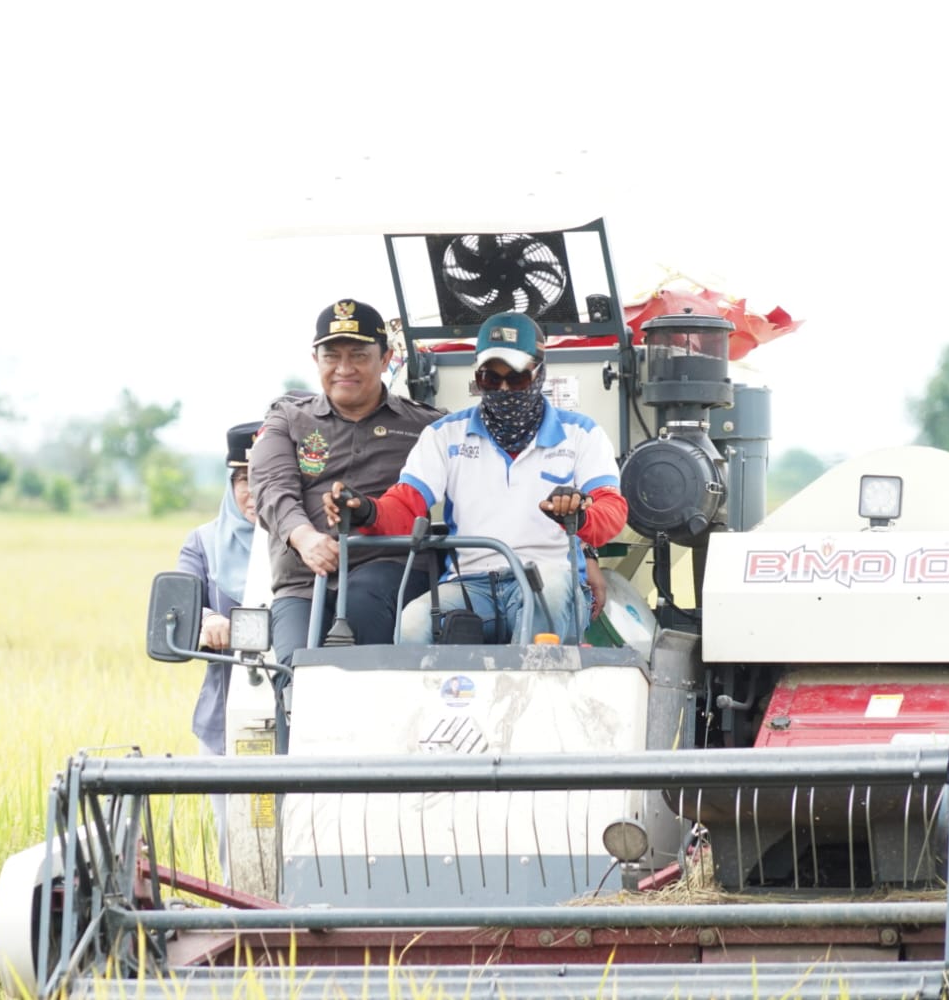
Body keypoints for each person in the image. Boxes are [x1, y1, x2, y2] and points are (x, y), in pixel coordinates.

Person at [325, 311, 628, 645]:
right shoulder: (444, 435)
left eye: (515, 379)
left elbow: (611, 510)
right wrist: (368, 511)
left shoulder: (582, 434)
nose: (502, 389)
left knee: (552, 595)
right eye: (488, 378)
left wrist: (580, 515)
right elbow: (405, 504)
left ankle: (530, 694)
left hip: (546, 577)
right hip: (469, 583)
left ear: (540, 372)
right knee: (411, 624)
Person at [248, 299, 444, 664]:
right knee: (293, 671)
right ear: (315, 360)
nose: (344, 368)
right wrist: (304, 538)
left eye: (358, 355)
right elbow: (272, 488)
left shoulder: (427, 427)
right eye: (332, 357)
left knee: (361, 610)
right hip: (304, 580)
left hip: (391, 572)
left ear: (385, 359)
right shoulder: (288, 420)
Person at [177, 420, 261, 874]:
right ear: (231, 484)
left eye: (265, 478)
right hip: (225, 720)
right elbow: (181, 610)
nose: (253, 492)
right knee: (238, 851)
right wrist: (207, 618)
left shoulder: (311, 544)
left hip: (304, 719)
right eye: (244, 480)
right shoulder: (204, 544)